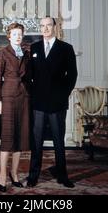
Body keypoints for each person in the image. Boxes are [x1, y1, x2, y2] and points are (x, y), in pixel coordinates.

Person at [27, 16, 77, 188]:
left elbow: (72, 76)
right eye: (42, 26)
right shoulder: (34, 48)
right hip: (38, 104)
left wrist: (63, 95)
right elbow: (29, 77)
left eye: (48, 25)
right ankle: (33, 176)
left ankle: (63, 176)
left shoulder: (66, 48)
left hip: (57, 104)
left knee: (58, 141)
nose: (45, 29)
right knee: (36, 141)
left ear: (55, 27)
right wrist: (32, 96)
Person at [0, 22, 30, 192]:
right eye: (15, 34)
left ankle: (14, 174)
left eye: (20, 34)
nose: (18, 37)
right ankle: (2, 176)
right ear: (9, 36)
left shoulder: (26, 53)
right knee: (8, 137)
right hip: (7, 96)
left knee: (20, 138)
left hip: (23, 98)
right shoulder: (2, 53)